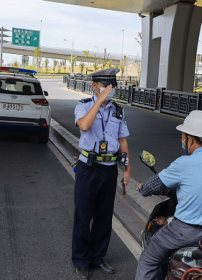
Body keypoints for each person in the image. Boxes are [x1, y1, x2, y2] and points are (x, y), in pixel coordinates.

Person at [135, 110, 202, 280]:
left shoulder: (183, 163)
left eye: (183, 135)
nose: (182, 139)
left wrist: (142, 188)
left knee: (148, 259)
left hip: (183, 232)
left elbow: (151, 186)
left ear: (189, 139)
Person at [72, 68, 131, 279]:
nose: (110, 90)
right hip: (88, 168)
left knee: (104, 217)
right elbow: (85, 125)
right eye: (106, 86)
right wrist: (100, 100)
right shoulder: (84, 106)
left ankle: (98, 258)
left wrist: (127, 168)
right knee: (83, 215)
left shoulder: (118, 110)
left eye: (112, 87)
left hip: (109, 169)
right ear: (95, 86)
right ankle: (81, 260)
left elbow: (122, 139)